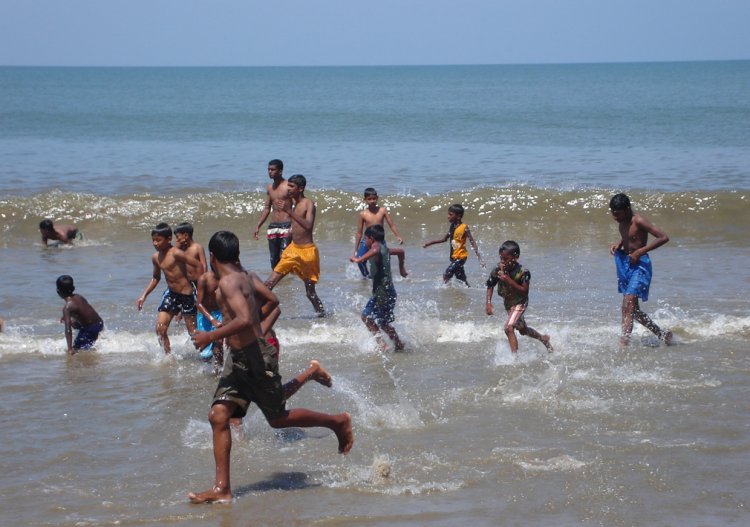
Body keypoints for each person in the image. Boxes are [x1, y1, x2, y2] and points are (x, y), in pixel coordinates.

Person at [188, 230, 353, 504]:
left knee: (277, 418)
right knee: (218, 416)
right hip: (239, 358)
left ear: (212, 256)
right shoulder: (248, 276)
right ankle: (222, 490)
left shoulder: (228, 283)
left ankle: (337, 422)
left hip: (254, 359)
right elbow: (274, 302)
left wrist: (210, 336)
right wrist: (259, 330)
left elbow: (242, 318)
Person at [609, 193, 672, 346]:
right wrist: (619, 245)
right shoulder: (621, 223)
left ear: (628, 209)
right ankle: (662, 334)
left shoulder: (638, 220)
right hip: (625, 264)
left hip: (640, 265)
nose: (615, 218)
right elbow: (629, 238)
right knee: (633, 310)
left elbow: (663, 237)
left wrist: (639, 252)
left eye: (618, 214)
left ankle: (624, 343)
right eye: (613, 214)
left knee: (629, 302)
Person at [136, 223, 202, 354]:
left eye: (158, 240)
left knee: (193, 333)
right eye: (153, 240)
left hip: (187, 296)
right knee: (160, 328)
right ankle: (167, 357)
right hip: (171, 295)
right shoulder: (155, 257)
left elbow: (198, 265)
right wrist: (143, 296)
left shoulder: (176, 253)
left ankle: (206, 354)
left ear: (168, 239)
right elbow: (156, 278)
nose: (155, 243)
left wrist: (200, 288)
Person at [265, 174, 325, 315]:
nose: (288, 189)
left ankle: (323, 317)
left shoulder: (307, 203)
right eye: (288, 186)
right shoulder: (293, 203)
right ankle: (259, 314)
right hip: (292, 250)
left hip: (307, 253)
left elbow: (308, 225)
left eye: (292, 186)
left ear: (301, 188)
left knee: (310, 294)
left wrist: (289, 212)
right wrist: (290, 234)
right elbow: (296, 226)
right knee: (269, 283)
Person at [485, 241, 552, 355]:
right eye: (501, 258)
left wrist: (508, 280)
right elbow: (490, 285)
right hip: (509, 303)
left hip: (520, 302)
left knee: (508, 327)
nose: (502, 261)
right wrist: (488, 303)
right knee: (522, 329)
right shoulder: (498, 269)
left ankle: (514, 358)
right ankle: (543, 339)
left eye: (506, 259)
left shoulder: (523, 272)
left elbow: (524, 291)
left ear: (515, 257)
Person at [350, 225, 408, 351]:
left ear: (371, 238)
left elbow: (374, 250)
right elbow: (400, 252)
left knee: (365, 316)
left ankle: (382, 344)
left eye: (365, 239)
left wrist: (360, 259)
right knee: (382, 322)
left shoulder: (376, 247)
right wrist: (401, 269)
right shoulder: (385, 248)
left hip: (382, 292)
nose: (365, 242)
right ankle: (398, 344)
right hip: (389, 291)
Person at [422, 204, 485, 286]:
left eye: (450, 214)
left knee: (447, 274)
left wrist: (480, 259)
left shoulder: (464, 228)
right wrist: (429, 243)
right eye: (448, 214)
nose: (448, 216)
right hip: (454, 257)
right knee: (461, 280)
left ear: (458, 216)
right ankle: (466, 291)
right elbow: (444, 239)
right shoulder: (452, 226)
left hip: (461, 257)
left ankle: (446, 291)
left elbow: (473, 242)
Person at [352, 187, 404, 278]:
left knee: (382, 261)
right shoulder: (363, 214)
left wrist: (398, 236)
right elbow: (359, 233)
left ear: (377, 198)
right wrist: (356, 249)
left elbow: (391, 225)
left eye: (374, 198)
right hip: (367, 241)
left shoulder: (382, 210)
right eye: (369, 199)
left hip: (380, 241)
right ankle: (367, 277)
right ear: (365, 200)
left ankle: (380, 276)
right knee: (360, 260)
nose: (372, 201)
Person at [253, 159, 294, 270]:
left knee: (284, 257)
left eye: (272, 169)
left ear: (280, 171)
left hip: (286, 225)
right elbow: (267, 208)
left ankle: (287, 281)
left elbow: (299, 205)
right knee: (274, 259)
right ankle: (282, 285)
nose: (270, 172)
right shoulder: (270, 188)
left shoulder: (289, 186)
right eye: (268, 169)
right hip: (273, 227)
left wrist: (294, 226)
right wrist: (258, 225)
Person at [56, 275, 104, 355]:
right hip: (99, 323)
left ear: (58, 292)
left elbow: (68, 330)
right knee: (74, 324)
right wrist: (67, 317)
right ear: (73, 288)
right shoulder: (79, 296)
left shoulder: (67, 308)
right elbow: (85, 310)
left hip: (91, 328)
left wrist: (70, 349)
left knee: (78, 347)